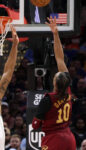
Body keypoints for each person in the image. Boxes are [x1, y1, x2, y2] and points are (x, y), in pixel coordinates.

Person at [32, 17, 76, 150]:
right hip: (69, 138)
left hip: (53, 139)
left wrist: (55, 33)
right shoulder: (68, 91)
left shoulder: (48, 99)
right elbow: (60, 59)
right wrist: (55, 34)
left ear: (55, 83)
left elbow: (35, 125)